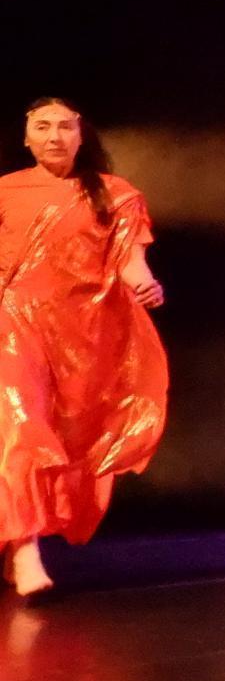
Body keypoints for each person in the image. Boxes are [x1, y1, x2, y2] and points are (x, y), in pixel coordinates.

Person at [2, 99, 169, 599]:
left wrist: (145, 284)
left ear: (81, 136)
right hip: (13, 322)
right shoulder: (6, 190)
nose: (54, 136)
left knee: (62, 436)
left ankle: (14, 544)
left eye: (65, 127)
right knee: (20, 426)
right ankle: (26, 550)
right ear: (26, 137)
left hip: (81, 332)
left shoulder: (115, 194)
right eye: (42, 127)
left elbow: (130, 261)